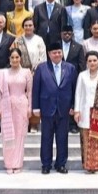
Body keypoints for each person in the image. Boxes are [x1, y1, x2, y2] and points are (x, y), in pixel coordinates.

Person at [32, 42, 77, 174]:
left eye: (59, 52)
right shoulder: (41, 68)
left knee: (62, 138)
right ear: (49, 54)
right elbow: (36, 89)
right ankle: (46, 164)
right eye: (54, 53)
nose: (57, 55)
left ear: (62, 53)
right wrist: (36, 107)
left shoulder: (70, 68)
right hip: (46, 107)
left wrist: (74, 105)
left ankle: (61, 164)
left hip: (64, 108)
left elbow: (74, 89)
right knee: (46, 138)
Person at [74, 50, 98, 173]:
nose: (92, 63)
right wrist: (77, 111)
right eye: (90, 60)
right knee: (86, 139)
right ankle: (87, 165)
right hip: (85, 110)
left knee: (97, 141)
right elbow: (78, 94)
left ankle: (96, 166)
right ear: (86, 62)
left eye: (95, 60)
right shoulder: (82, 75)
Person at [0, 48, 33, 173]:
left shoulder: (26, 72)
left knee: (19, 136)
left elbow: (30, 91)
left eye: (17, 57)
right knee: (7, 136)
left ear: (20, 58)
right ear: (9, 59)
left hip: (22, 106)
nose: (15, 60)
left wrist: (30, 108)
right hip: (7, 106)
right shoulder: (3, 73)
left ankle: (18, 164)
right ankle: (9, 164)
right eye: (12, 57)